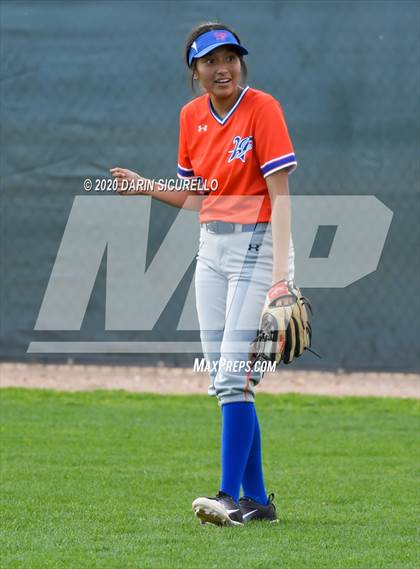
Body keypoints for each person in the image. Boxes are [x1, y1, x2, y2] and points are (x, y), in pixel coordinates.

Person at [110, 22, 298, 527]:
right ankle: (259, 501)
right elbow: (198, 196)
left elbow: (280, 197)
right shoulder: (190, 116)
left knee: (233, 377)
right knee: (226, 381)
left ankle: (228, 498)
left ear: (241, 63)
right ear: (194, 72)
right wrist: (147, 186)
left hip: (259, 250)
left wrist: (281, 277)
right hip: (210, 251)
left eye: (231, 58)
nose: (223, 68)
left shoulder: (263, 109)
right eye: (211, 61)